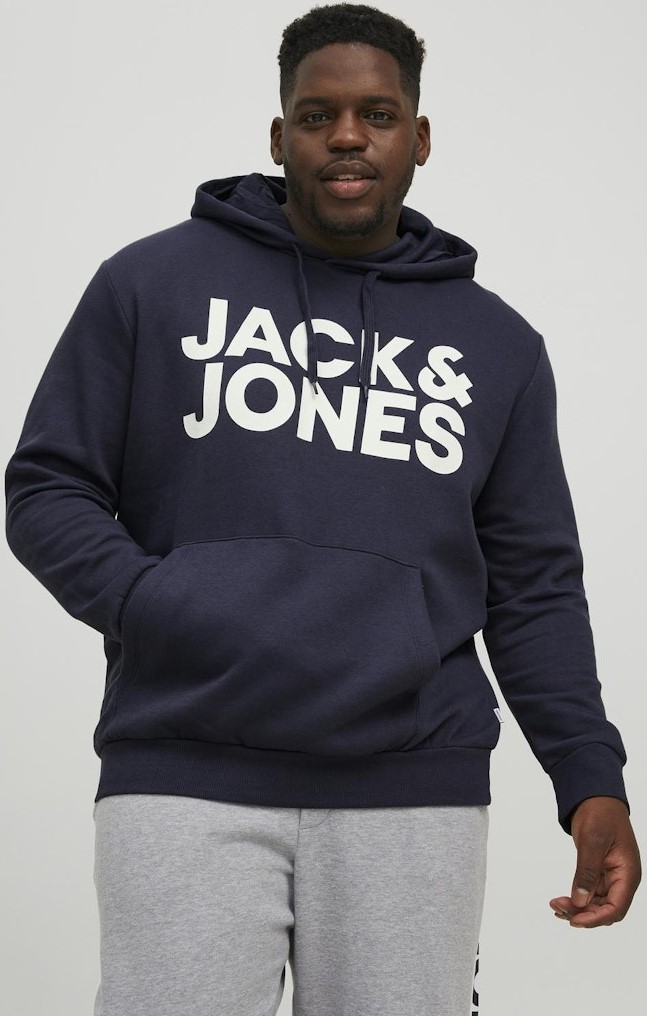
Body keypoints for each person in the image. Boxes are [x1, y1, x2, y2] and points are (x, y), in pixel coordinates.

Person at [4, 3, 641, 1015]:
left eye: (376, 115)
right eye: (318, 115)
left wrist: (588, 777)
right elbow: (47, 486)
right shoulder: (149, 285)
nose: (347, 136)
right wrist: (162, 603)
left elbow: (532, 587)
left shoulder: (498, 347)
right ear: (279, 135)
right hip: (183, 766)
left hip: (412, 784)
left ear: (418, 137)